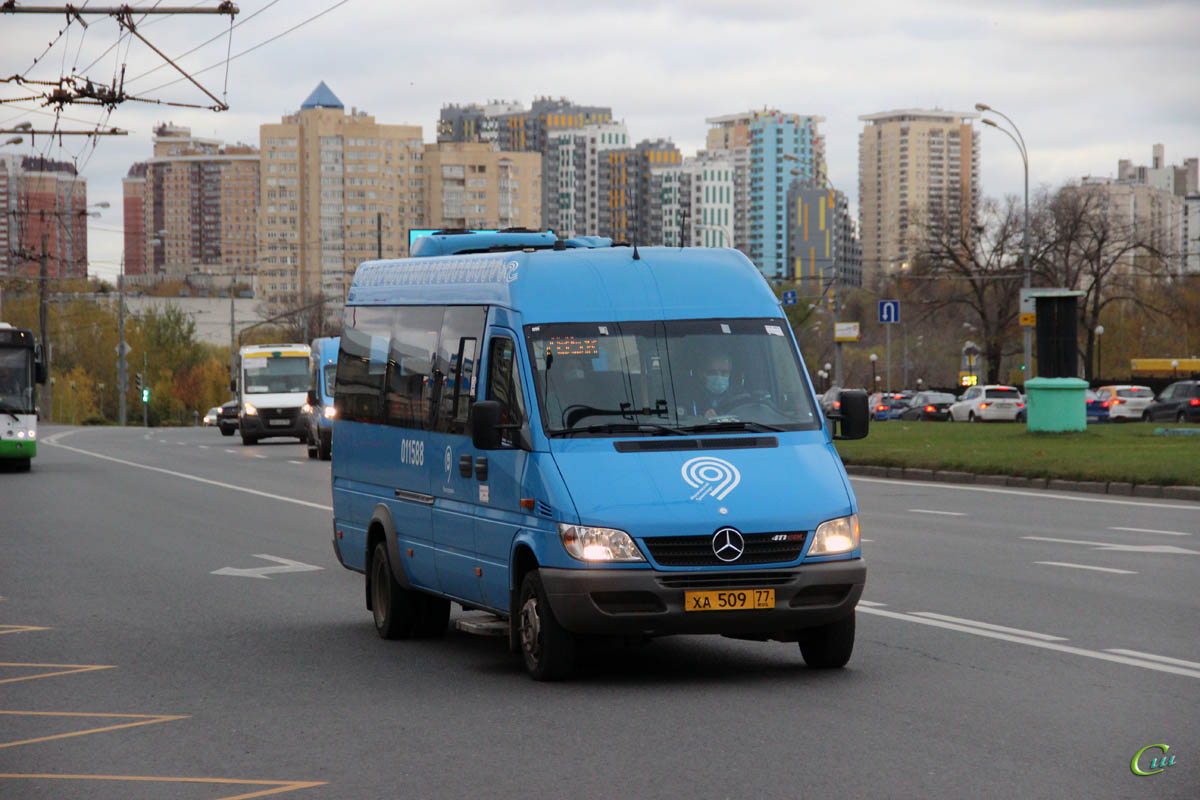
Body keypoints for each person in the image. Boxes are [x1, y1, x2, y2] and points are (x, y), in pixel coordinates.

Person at [687, 352, 735, 418]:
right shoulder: (690, 399)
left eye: (724, 372)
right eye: (713, 372)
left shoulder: (741, 397)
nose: (719, 377)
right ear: (701, 374)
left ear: (730, 373)